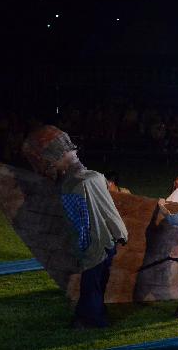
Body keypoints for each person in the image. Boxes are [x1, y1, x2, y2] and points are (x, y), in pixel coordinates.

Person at [22, 125, 128, 329]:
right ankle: (88, 316)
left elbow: (104, 211)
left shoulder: (88, 180)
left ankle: (94, 320)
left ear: (60, 155)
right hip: (94, 242)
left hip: (97, 243)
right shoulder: (76, 181)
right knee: (94, 283)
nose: (48, 167)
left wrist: (119, 232)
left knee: (92, 284)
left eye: (49, 162)